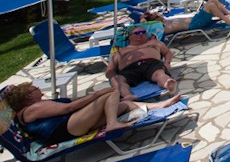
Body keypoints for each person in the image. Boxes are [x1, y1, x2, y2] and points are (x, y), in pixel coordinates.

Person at [4, 82, 182, 146]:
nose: (38, 89)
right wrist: (96, 95)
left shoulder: (35, 106)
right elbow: (68, 108)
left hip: (70, 125)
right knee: (111, 93)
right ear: (28, 96)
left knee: (123, 104)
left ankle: (161, 105)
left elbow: (72, 105)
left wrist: (93, 100)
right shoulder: (32, 109)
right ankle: (112, 124)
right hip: (66, 128)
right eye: (34, 88)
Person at [106, 24, 178, 101]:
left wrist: (167, 63)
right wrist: (113, 78)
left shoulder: (154, 43)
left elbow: (167, 52)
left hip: (151, 63)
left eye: (143, 32)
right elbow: (110, 70)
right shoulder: (121, 52)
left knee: (159, 74)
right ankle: (127, 95)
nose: (141, 34)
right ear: (129, 37)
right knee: (120, 80)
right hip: (129, 69)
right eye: (137, 33)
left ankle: (168, 84)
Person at [142, 0, 230, 34]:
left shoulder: (165, 21)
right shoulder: (163, 28)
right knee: (211, 5)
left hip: (196, 18)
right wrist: (143, 18)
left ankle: (229, 13)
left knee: (212, 0)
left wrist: (147, 15)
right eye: (158, 16)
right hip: (195, 24)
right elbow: (144, 24)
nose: (160, 15)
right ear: (155, 21)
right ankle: (228, 20)